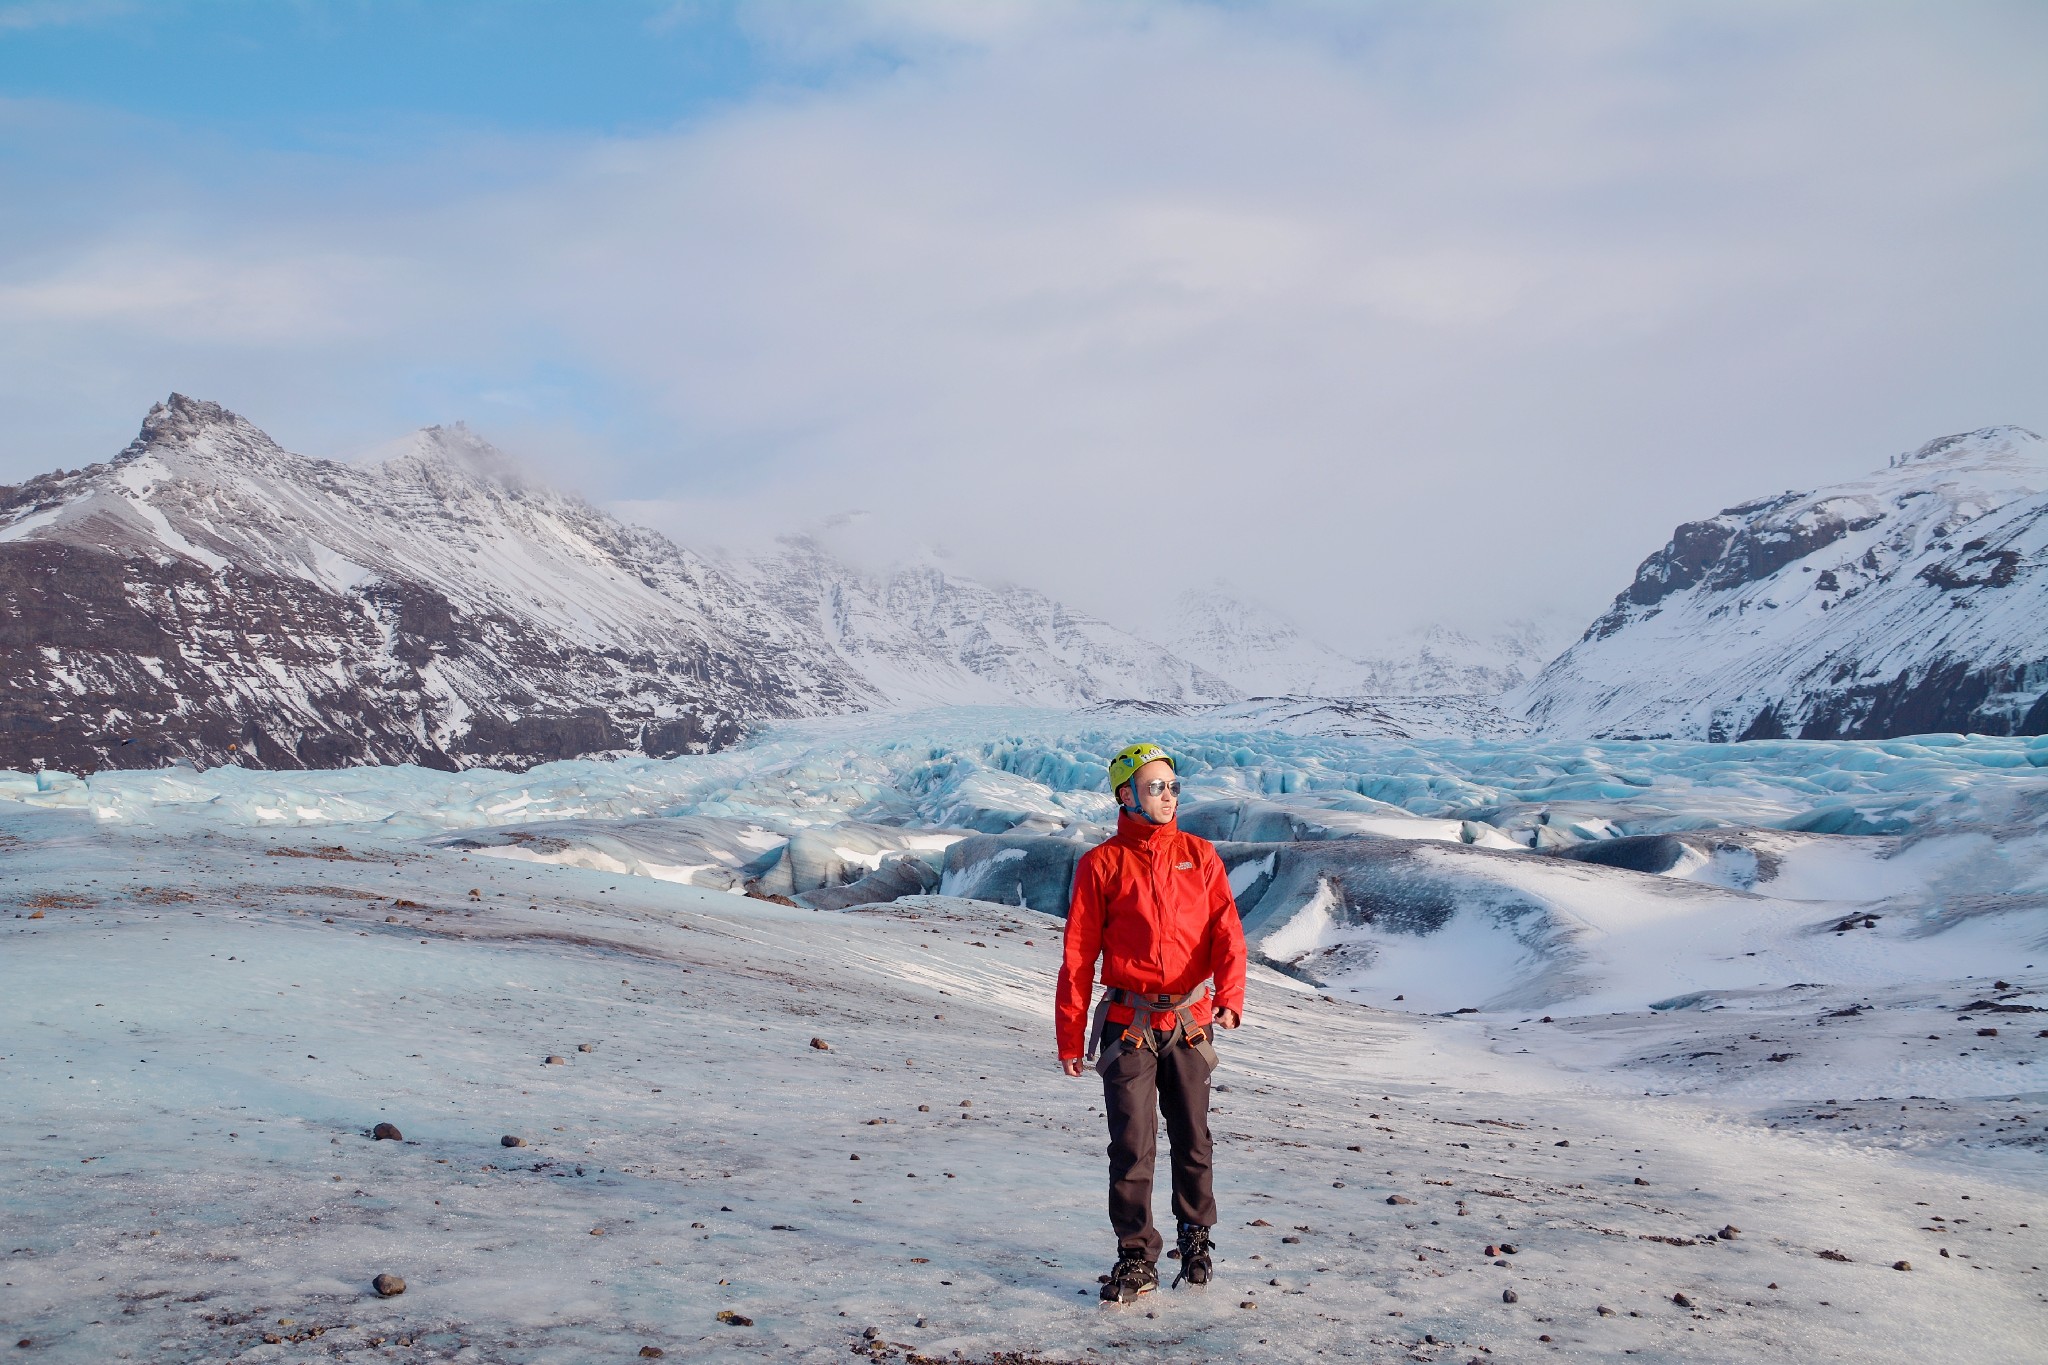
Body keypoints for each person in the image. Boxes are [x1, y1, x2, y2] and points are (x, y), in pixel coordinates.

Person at [1056, 741, 1248, 1304]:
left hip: (1191, 1019)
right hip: (1127, 1024)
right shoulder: (1102, 864)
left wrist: (1231, 996)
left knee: (1193, 1138)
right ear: (1127, 795)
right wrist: (1070, 1036)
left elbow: (1226, 932)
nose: (1169, 796)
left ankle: (1195, 1236)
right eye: (1156, 787)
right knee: (1131, 1145)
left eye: (1173, 786)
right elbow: (1078, 955)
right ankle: (1136, 1255)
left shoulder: (1200, 854)